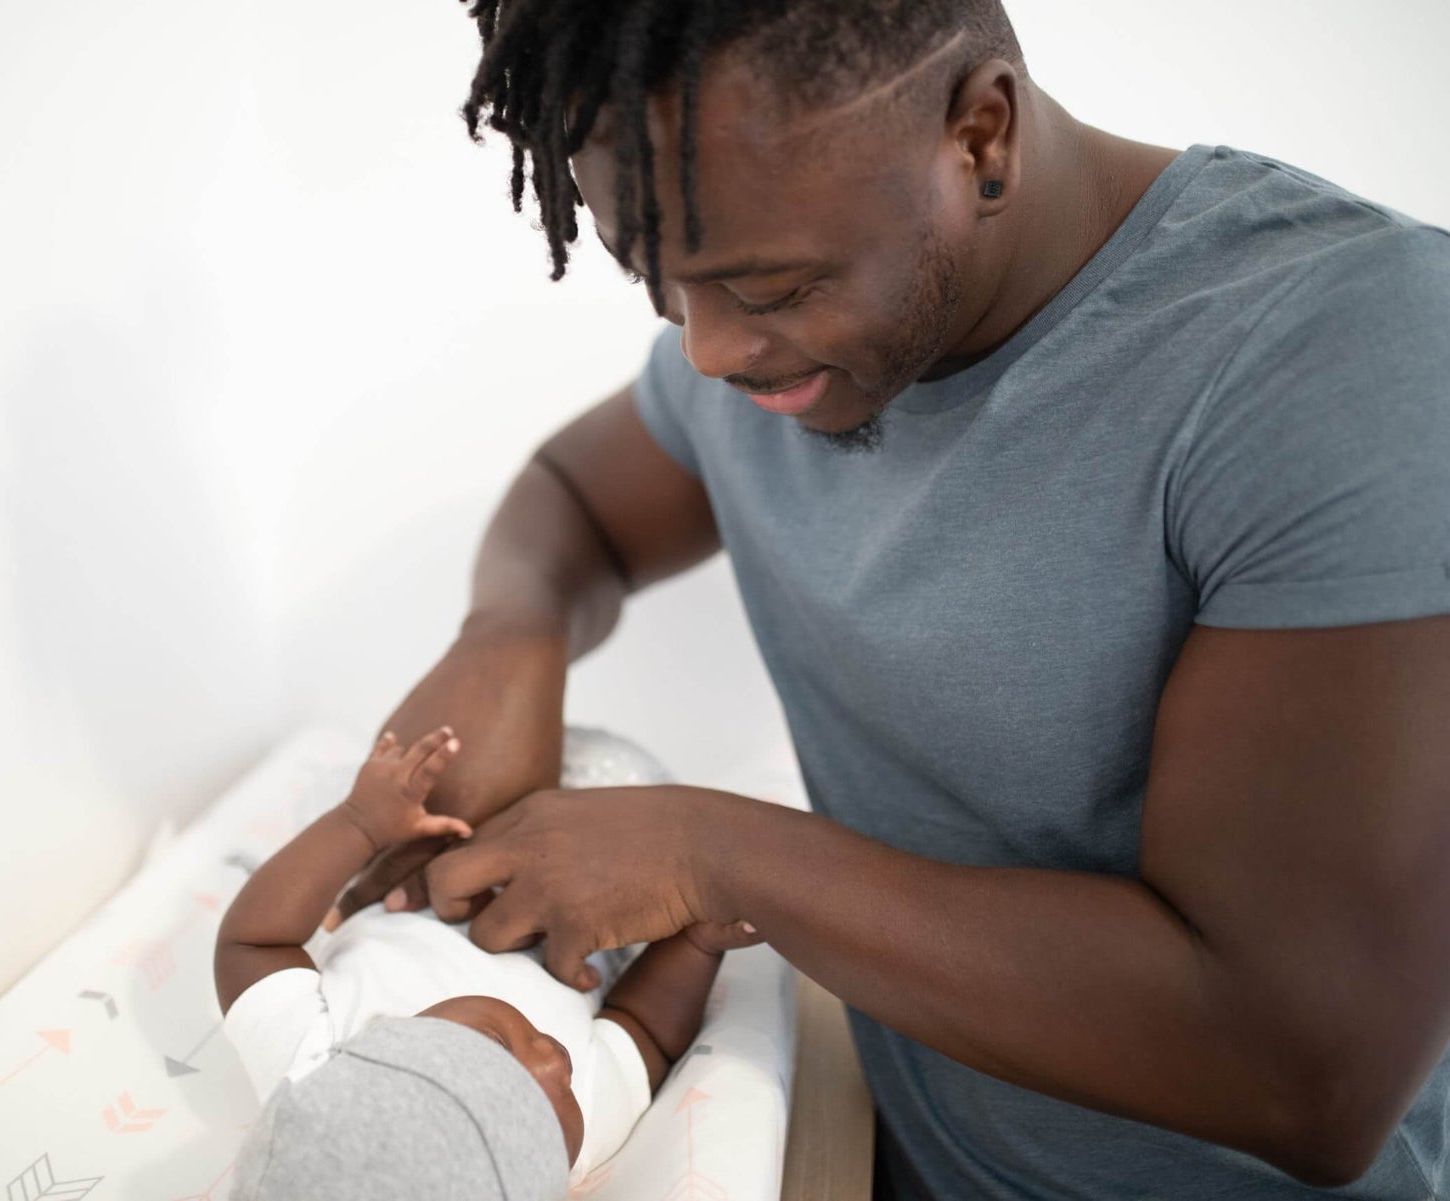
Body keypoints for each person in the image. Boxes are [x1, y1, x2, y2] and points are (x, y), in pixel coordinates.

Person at [324, 2, 1450, 1197]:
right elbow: (579, 503)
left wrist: (713, 854)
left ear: (980, 136)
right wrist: (512, 631)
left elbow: (1300, 1071)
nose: (705, 350)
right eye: (659, 283)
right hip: (890, 1145)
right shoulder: (772, 339)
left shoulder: (1346, 355)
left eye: (767, 285)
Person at [215, 726, 759, 1199]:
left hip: (421, 854)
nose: (556, 1062)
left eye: (499, 1050)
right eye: (551, 1121)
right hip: (596, 885)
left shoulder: (313, 1062)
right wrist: (696, 944)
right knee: (635, 792)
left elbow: (253, 942)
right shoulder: (576, 1140)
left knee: (452, 772)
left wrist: (359, 824)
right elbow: (644, 1030)